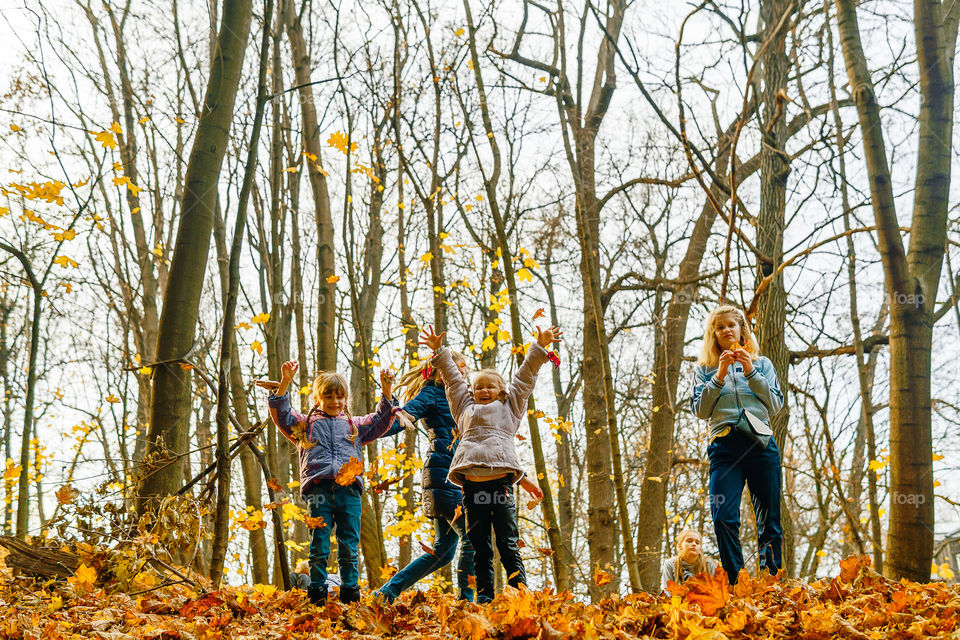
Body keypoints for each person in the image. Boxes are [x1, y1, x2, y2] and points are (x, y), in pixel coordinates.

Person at [420, 324, 556, 603]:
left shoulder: (511, 407)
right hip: (471, 487)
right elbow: (454, 381)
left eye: (490, 387)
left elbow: (524, 378)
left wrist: (539, 348)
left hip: (500, 485)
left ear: (501, 391)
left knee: (507, 543)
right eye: (479, 387)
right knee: (479, 546)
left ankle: (520, 594)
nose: (483, 390)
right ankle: (484, 596)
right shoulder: (464, 408)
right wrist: (439, 352)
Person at [266, 361, 397, 605]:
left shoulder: (354, 426)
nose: (335, 401)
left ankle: (350, 594)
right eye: (328, 396)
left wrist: (386, 391)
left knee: (349, 544)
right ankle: (316, 594)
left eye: (340, 396)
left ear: (346, 399)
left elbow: (381, 419)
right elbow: (281, 414)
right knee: (319, 546)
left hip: (349, 491)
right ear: (317, 398)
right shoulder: (305, 425)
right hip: (319, 490)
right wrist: (285, 381)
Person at [690, 305, 784, 585]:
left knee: (769, 519)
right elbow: (700, 409)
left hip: (761, 443)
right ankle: (736, 583)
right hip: (725, 447)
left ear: (742, 330)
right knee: (723, 516)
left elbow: (776, 404)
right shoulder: (704, 370)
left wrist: (751, 371)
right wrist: (719, 375)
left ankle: (771, 583)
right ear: (714, 335)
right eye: (719, 327)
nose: (726, 330)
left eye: (731, 325)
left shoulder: (762, 363)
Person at [374, 354, 476, 603]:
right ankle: (467, 603)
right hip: (444, 475)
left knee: (442, 552)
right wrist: (377, 421)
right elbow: (400, 421)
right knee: (472, 539)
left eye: (463, 368)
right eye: (455, 367)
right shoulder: (432, 394)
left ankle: (387, 592)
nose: (461, 372)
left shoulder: (462, 399)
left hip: (457, 476)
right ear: (438, 371)